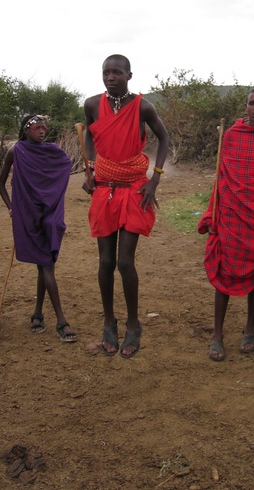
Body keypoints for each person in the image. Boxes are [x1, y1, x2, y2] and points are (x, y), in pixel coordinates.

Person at [83, 54, 169, 358]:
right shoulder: (92, 104)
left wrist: (154, 179)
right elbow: (89, 134)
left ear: (129, 76)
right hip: (105, 191)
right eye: (106, 72)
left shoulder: (143, 106)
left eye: (117, 73)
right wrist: (90, 168)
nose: (110, 77)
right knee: (105, 263)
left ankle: (133, 324)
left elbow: (164, 137)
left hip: (134, 190)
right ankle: (109, 322)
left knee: (124, 262)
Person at [198, 89, 254, 361]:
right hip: (232, 214)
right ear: (246, 106)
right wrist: (213, 212)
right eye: (252, 103)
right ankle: (217, 334)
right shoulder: (232, 136)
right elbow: (222, 176)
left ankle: (250, 330)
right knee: (223, 271)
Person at [0, 114, 77, 342]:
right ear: (26, 130)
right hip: (28, 216)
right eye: (37, 127)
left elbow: (65, 167)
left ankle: (39, 314)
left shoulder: (53, 151)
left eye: (44, 128)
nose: (42, 131)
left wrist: (51, 192)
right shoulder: (16, 151)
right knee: (45, 265)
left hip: (50, 215)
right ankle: (60, 322)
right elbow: (0, 184)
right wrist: (12, 207)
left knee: (45, 264)